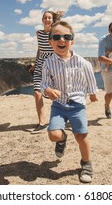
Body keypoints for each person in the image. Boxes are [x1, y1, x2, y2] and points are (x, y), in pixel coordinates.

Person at [41, 21, 98, 183]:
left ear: (72, 41)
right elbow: (44, 83)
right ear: (50, 41)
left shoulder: (82, 62)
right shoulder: (48, 63)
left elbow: (89, 77)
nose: (62, 40)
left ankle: (86, 164)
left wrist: (93, 93)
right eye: (57, 37)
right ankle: (62, 139)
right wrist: (48, 90)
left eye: (67, 37)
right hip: (59, 105)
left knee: (81, 136)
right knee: (53, 135)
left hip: (77, 105)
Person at [29, 11, 63, 134]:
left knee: (58, 94)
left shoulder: (55, 33)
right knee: (37, 93)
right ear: (42, 20)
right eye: (45, 17)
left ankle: (63, 118)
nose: (47, 19)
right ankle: (42, 123)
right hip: (40, 64)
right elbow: (39, 49)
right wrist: (35, 63)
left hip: (53, 64)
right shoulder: (38, 33)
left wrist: (57, 18)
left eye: (49, 18)